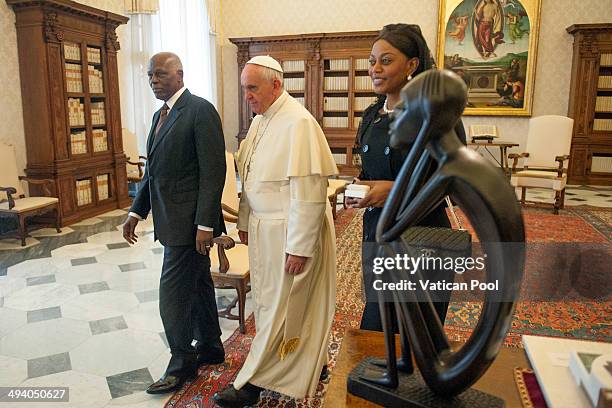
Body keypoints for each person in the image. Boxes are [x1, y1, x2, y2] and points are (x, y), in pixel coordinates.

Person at [213, 56, 338, 406]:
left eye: (253, 88)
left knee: (287, 306)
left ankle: (251, 383)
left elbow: (309, 195)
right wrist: (244, 222)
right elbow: (249, 177)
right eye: (244, 89)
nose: (247, 96)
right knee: (271, 304)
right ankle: (314, 363)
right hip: (264, 230)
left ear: (276, 85)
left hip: (289, 232)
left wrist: (299, 246)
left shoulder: (299, 123)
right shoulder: (260, 121)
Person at [346, 24, 465, 370]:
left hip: (422, 238)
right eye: (371, 61)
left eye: (386, 60)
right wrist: (362, 187)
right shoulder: (371, 116)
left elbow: (453, 182)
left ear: (412, 64)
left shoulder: (436, 116)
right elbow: (373, 172)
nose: (375, 69)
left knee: (413, 340)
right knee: (380, 329)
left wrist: (392, 190)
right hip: (378, 234)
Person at [122, 52, 226, 394]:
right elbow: (153, 173)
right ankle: (210, 346)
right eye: (150, 76)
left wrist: (206, 225)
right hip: (170, 221)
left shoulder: (200, 110)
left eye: (161, 74)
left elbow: (213, 172)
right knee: (198, 285)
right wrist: (136, 212)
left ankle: (181, 363)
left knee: (172, 296)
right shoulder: (159, 115)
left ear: (179, 74)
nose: (154, 81)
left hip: (190, 227)